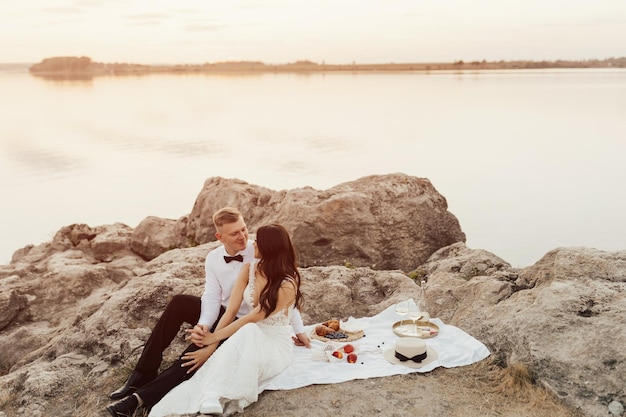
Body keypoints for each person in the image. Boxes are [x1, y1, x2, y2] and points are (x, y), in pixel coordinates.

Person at [106, 208, 310, 417]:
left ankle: (139, 400)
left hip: (248, 324)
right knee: (179, 303)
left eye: (244, 230)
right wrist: (203, 325)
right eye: (234, 234)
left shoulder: (260, 251)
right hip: (226, 315)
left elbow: (281, 299)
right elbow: (212, 296)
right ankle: (142, 373)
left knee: (193, 357)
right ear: (220, 237)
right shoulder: (214, 258)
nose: (243, 237)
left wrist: (299, 329)